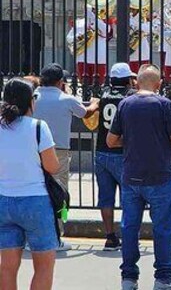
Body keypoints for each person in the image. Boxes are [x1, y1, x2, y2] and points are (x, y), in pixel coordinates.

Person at [106, 65, 171, 290]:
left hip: (131, 176)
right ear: (159, 84)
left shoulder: (125, 104)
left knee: (130, 227)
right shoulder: (164, 105)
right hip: (159, 175)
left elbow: (111, 141)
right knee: (162, 229)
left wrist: (130, 142)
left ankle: (129, 278)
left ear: (136, 82)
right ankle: (163, 278)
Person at [0, 78, 61, 290]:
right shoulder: (38, 127)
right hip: (36, 202)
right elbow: (52, 166)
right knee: (44, 267)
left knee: (7, 268)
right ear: (31, 101)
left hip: (4, 201)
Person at [33, 63, 98, 249]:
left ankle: (35, 236)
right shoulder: (66, 99)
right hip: (58, 151)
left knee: (37, 192)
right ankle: (57, 234)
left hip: (33, 150)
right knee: (60, 193)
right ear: (61, 81)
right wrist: (95, 103)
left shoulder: (33, 97)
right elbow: (86, 113)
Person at [94, 63, 138, 252]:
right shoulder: (129, 97)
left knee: (106, 197)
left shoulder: (103, 94)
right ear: (128, 79)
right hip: (121, 152)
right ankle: (128, 236)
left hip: (101, 151)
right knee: (129, 196)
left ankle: (110, 236)